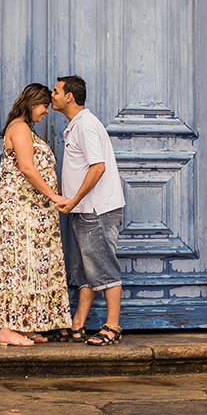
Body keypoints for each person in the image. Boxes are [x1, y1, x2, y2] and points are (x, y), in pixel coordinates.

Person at [0, 83, 72, 347]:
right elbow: (27, 167)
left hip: (30, 210)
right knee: (16, 266)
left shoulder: (25, 129)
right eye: (44, 106)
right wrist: (53, 195)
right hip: (19, 209)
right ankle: (7, 329)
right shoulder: (20, 128)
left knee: (30, 267)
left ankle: (23, 325)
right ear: (32, 104)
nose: (47, 111)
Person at [51, 75, 125, 346]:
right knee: (85, 272)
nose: (52, 95)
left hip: (97, 211)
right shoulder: (76, 126)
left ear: (69, 96)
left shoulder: (86, 126)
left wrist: (73, 200)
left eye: (56, 91)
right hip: (84, 211)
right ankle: (77, 326)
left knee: (104, 269)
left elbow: (98, 167)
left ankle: (113, 327)